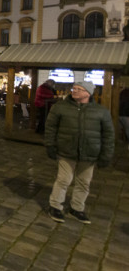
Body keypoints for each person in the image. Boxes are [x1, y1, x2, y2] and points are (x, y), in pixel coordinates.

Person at [45, 81, 114, 224]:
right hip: (66, 151)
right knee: (63, 180)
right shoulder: (60, 107)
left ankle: (77, 207)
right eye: (74, 88)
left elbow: (108, 135)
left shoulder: (101, 111)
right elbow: (50, 128)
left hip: (89, 153)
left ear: (88, 93)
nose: (74, 91)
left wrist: (106, 154)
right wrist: (50, 146)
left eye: (79, 89)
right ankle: (55, 206)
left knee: (84, 182)